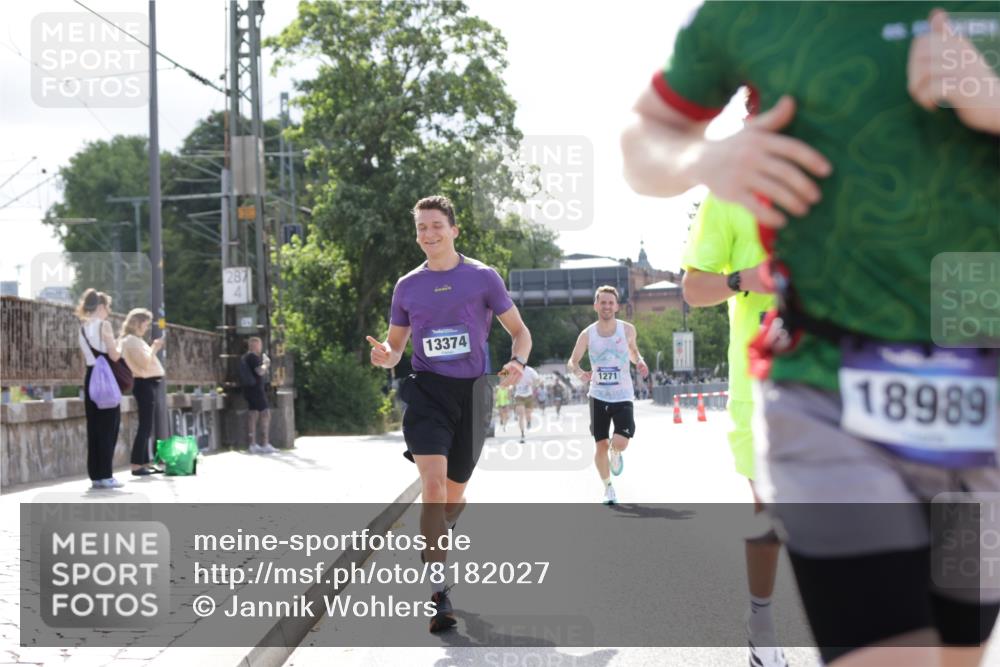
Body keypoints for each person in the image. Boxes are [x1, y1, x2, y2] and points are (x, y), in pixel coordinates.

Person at [622, 4, 1000, 665]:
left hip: (983, 410)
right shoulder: (749, 13)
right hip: (826, 391)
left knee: (958, 652)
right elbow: (644, 137)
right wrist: (701, 156)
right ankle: (762, 628)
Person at [367, 195, 531, 633]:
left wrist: (517, 361)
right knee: (434, 487)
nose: (429, 234)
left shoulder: (482, 277)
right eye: (422, 227)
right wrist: (386, 356)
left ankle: (439, 530)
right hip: (427, 393)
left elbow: (519, 332)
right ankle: (439, 593)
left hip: (474, 394)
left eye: (436, 225)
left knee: (455, 495)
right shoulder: (407, 286)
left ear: (454, 230)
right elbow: (396, 347)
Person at [682, 193, 786, 666]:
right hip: (761, 378)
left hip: (845, 371)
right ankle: (761, 626)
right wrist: (748, 278)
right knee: (772, 510)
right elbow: (694, 289)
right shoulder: (728, 195)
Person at [567, 286, 649, 505]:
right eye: (603, 302)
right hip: (598, 395)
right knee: (600, 444)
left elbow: (633, 352)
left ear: (617, 306)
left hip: (622, 394)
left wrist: (639, 361)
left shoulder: (628, 329)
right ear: (596, 305)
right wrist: (579, 373)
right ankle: (608, 487)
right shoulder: (587, 334)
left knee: (621, 442)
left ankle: (616, 452)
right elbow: (572, 361)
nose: (607, 306)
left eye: (611, 303)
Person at [75, 288, 124, 490]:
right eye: (108, 307)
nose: (109, 311)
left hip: (90, 378)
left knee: (94, 428)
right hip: (105, 379)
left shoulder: (83, 327)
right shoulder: (104, 325)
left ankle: (95, 476)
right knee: (109, 427)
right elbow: (114, 355)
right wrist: (119, 346)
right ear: (102, 306)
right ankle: (107, 476)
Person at [118, 308, 166, 476]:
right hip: (143, 383)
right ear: (137, 323)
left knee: (147, 425)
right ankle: (137, 464)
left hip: (146, 384)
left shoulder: (134, 340)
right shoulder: (131, 341)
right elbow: (145, 363)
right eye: (144, 324)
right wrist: (155, 347)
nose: (146, 328)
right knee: (145, 426)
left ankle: (142, 462)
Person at [240, 337, 276, 454]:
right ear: (255, 346)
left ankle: (252, 444)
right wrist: (266, 364)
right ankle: (265, 444)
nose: (260, 347)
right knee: (265, 414)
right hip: (256, 391)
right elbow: (259, 371)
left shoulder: (245, 357)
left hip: (248, 390)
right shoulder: (254, 357)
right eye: (259, 345)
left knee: (252, 414)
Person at [512, 364, 540, 444]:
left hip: (528, 396)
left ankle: (528, 422)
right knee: (521, 415)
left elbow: (538, 380)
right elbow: (503, 375)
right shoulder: (513, 369)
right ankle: (522, 434)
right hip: (518, 396)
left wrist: (533, 384)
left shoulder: (530, 370)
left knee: (528, 414)